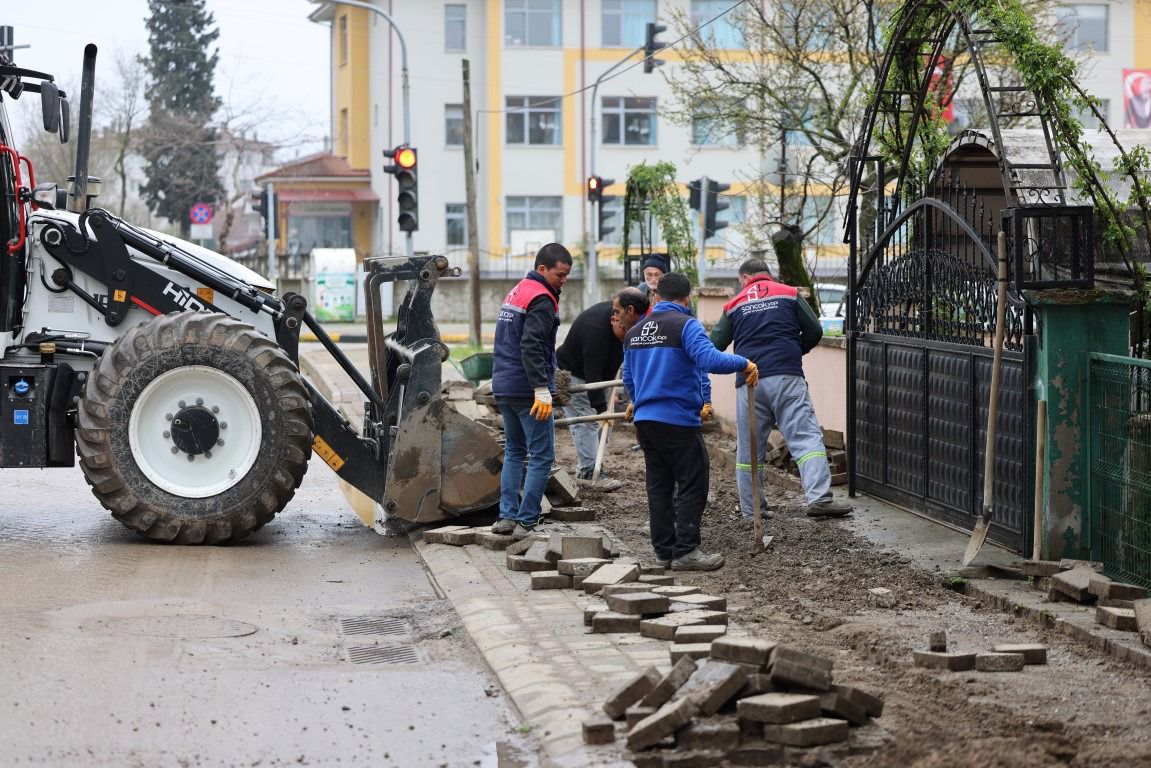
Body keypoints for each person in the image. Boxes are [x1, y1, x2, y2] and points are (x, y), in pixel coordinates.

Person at [623, 272, 758, 571]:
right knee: (693, 481)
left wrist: (640, 400)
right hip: (677, 421)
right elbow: (709, 360)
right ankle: (686, 550)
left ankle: (664, 552)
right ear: (687, 298)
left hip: (646, 420)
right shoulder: (686, 325)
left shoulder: (635, 332)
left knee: (658, 486)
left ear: (657, 296)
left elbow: (628, 379)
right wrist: (743, 363)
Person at [709, 258, 852, 520]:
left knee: (749, 448)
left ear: (744, 278)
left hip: (749, 383)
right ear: (768, 275)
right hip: (787, 376)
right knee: (806, 439)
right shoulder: (788, 294)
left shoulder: (733, 304)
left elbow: (714, 345)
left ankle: (753, 510)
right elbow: (815, 330)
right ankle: (819, 499)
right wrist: (795, 349)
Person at [490, 243, 573, 539]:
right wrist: (541, 388)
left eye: (566, 275)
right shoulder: (541, 298)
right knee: (541, 455)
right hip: (528, 390)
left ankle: (505, 517)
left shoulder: (518, 290)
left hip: (504, 385)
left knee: (514, 451)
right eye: (560, 274)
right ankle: (526, 522)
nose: (563, 280)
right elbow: (532, 345)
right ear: (542, 269)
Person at [557, 288, 649, 479]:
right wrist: (601, 410)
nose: (626, 336)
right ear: (615, 321)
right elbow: (592, 376)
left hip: (600, 375)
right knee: (587, 421)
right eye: (624, 332)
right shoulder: (597, 330)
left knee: (603, 423)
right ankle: (589, 471)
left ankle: (594, 464)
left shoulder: (636, 318)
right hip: (573, 373)